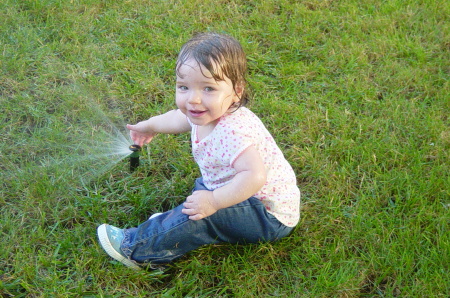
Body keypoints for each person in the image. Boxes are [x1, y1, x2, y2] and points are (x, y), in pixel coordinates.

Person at [97, 32, 300, 269]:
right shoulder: (205, 112)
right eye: (184, 87)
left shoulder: (233, 132)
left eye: (208, 89)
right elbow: (177, 118)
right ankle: (169, 223)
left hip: (266, 215)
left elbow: (255, 176)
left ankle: (137, 247)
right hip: (234, 190)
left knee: (199, 217)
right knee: (198, 198)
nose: (193, 100)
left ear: (237, 91)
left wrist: (214, 201)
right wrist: (148, 126)